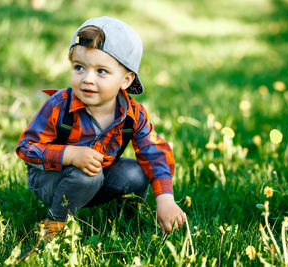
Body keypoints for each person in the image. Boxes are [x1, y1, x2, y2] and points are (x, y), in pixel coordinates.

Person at [16, 16, 186, 240]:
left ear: (125, 80)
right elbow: (26, 148)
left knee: (138, 172)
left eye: (101, 71)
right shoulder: (59, 105)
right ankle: (54, 224)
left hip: (97, 176)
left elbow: (155, 153)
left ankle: (124, 223)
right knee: (89, 175)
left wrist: (165, 198)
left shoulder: (132, 115)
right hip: (51, 180)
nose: (87, 79)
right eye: (79, 67)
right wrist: (69, 154)